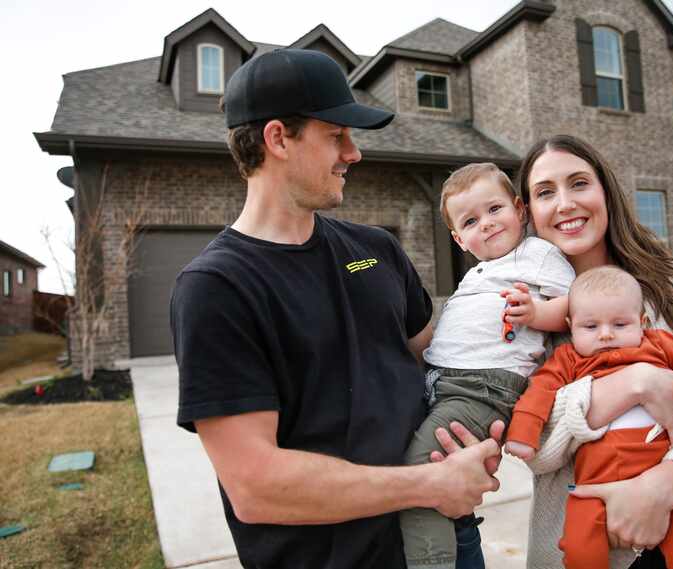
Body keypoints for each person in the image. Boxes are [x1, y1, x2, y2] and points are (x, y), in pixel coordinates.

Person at [170, 48, 502, 569]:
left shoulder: (376, 249)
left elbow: (444, 358)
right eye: (336, 135)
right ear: (278, 138)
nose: (354, 153)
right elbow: (256, 487)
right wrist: (427, 483)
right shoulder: (218, 288)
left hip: (445, 536)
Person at [504, 134, 673, 569]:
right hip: (584, 540)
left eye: (579, 183)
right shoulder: (524, 311)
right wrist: (636, 383)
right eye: (544, 192)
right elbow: (533, 447)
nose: (565, 204)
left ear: (605, 191)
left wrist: (659, 490)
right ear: (528, 212)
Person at [399, 163, 574, 569]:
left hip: (482, 388)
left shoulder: (538, 254)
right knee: (422, 462)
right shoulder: (479, 272)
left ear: (520, 209)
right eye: (472, 220)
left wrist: (537, 312)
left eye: (495, 209)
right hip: (445, 385)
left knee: (419, 478)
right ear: (460, 239)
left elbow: (577, 305)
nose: (488, 223)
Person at [505, 265, 673, 569]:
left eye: (620, 324)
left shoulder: (659, 344)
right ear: (571, 327)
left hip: (662, 476)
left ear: (642, 322)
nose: (606, 334)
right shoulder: (568, 359)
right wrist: (522, 434)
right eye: (590, 327)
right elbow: (538, 394)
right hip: (593, 485)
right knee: (581, 550)